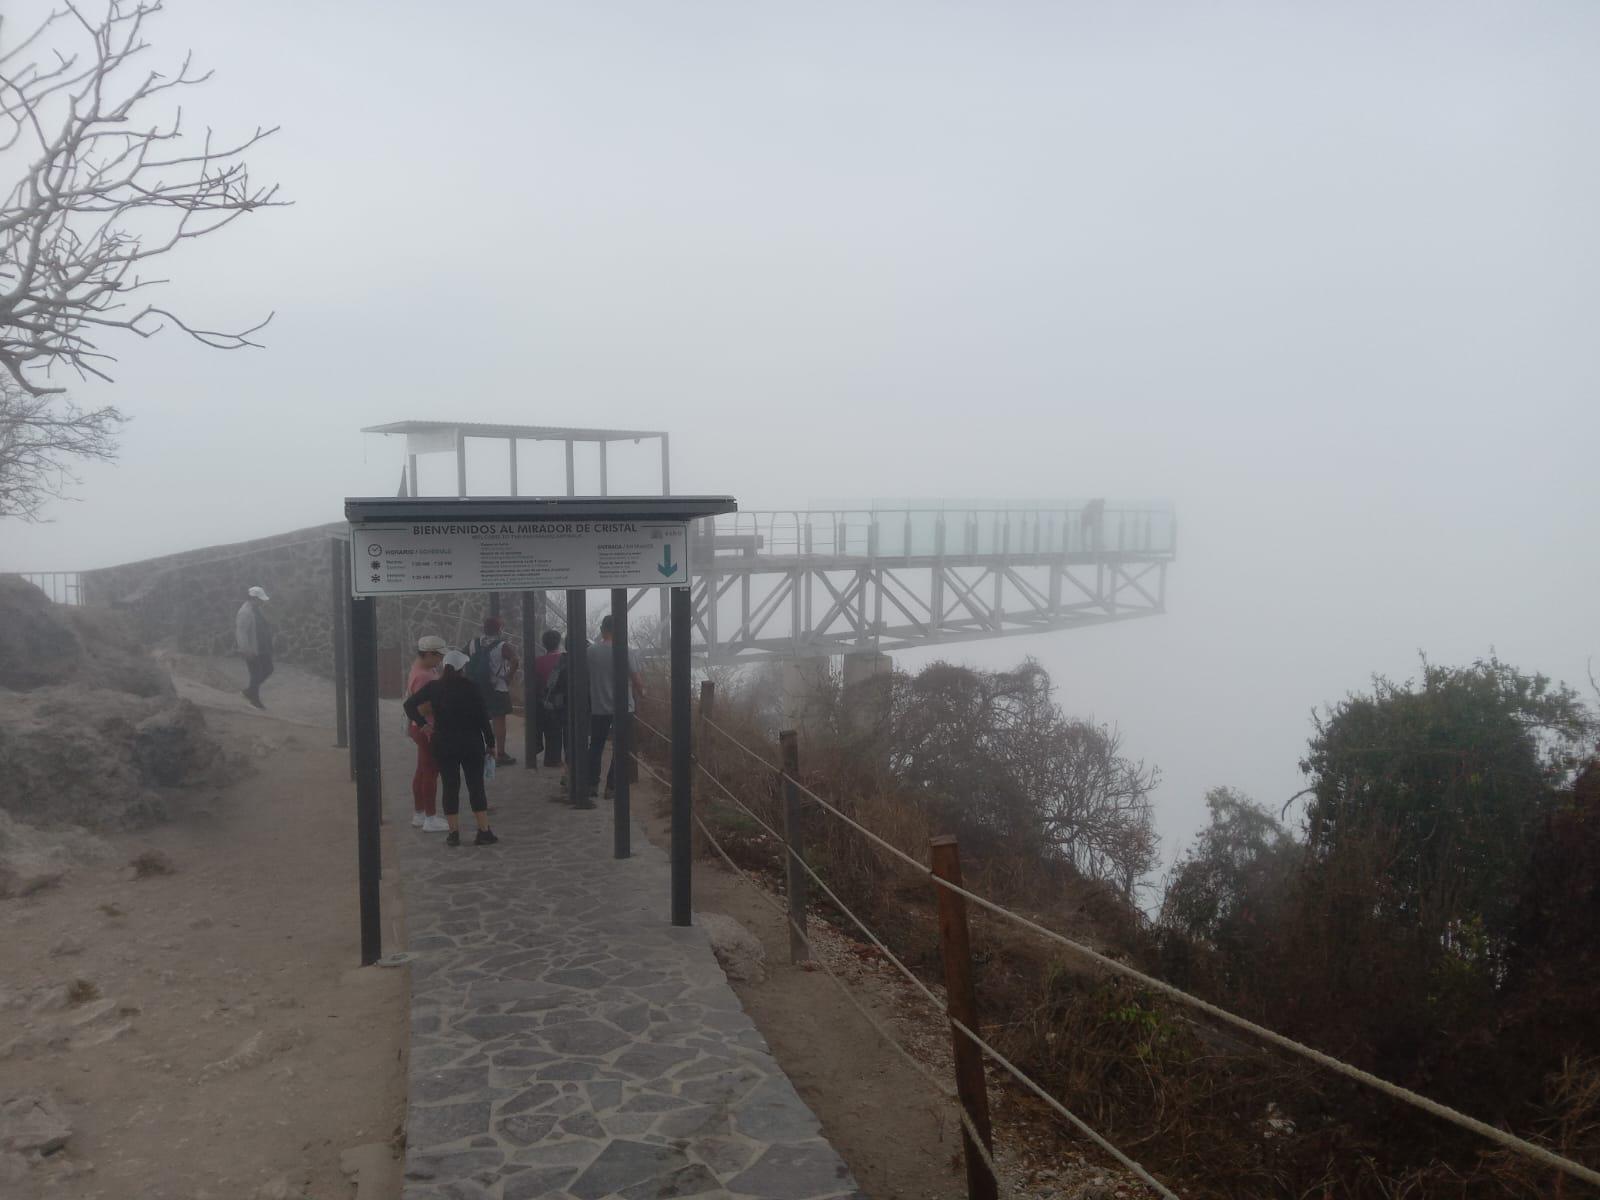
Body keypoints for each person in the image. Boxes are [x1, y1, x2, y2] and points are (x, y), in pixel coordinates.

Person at [403, 650, 500, 848]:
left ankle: (453, 833)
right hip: (471, 743)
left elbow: (409, 705)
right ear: (462, 668)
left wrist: (423, 723)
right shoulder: (472, 687)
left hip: (444, 743)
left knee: (450, 786)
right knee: (475, 786)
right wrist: (491, 743)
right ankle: (484, 831)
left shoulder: (435, 687)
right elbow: (483, 718)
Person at [585, 614, 644, 804]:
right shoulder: (626, 651)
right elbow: (636, 680)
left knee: (596, 745)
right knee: (621, 747)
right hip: (623, 707)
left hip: (599, 705)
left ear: (602, 629)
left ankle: (591, 784)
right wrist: (642, 692)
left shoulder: (591, 651)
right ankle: (611, 787)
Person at [406, 635, 450, 832]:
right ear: (430, 654)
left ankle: (420, 812)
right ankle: (430, 817)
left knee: (422, 770)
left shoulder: (420, 669)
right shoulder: (424, 676)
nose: (441, 660)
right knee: (430, 772)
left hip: (418, 727)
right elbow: (423, 708)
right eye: (439, 656)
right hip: (428, 728)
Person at [465, 616, 519, 767]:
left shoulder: (473, 643)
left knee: (477, 721)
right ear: (499, 629)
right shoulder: (502, 646)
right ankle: (500, 754)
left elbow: (463, 660)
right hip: (497, 688)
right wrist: (509, 676)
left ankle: (479, 752)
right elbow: (515, 660)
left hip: (476, 688)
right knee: (499, 722)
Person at [235, 586, 274, 709]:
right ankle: (254, 700)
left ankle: (249, 691)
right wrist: (246, 650)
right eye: (260, 599)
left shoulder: (256, 609)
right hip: (253, 649)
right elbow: (241, 632)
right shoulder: (244, 612)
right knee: (256, 674)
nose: (262, 602)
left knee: (269, 669)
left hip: (262, 648)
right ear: (254, 598)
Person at [533, 629, 564, 767]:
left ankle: (547, 756)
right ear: (558, 642)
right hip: (560, 701)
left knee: (548, 730)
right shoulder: (563, 659)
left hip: (543, 700)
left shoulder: (538, 661)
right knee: (556, 731)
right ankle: (554, 759)